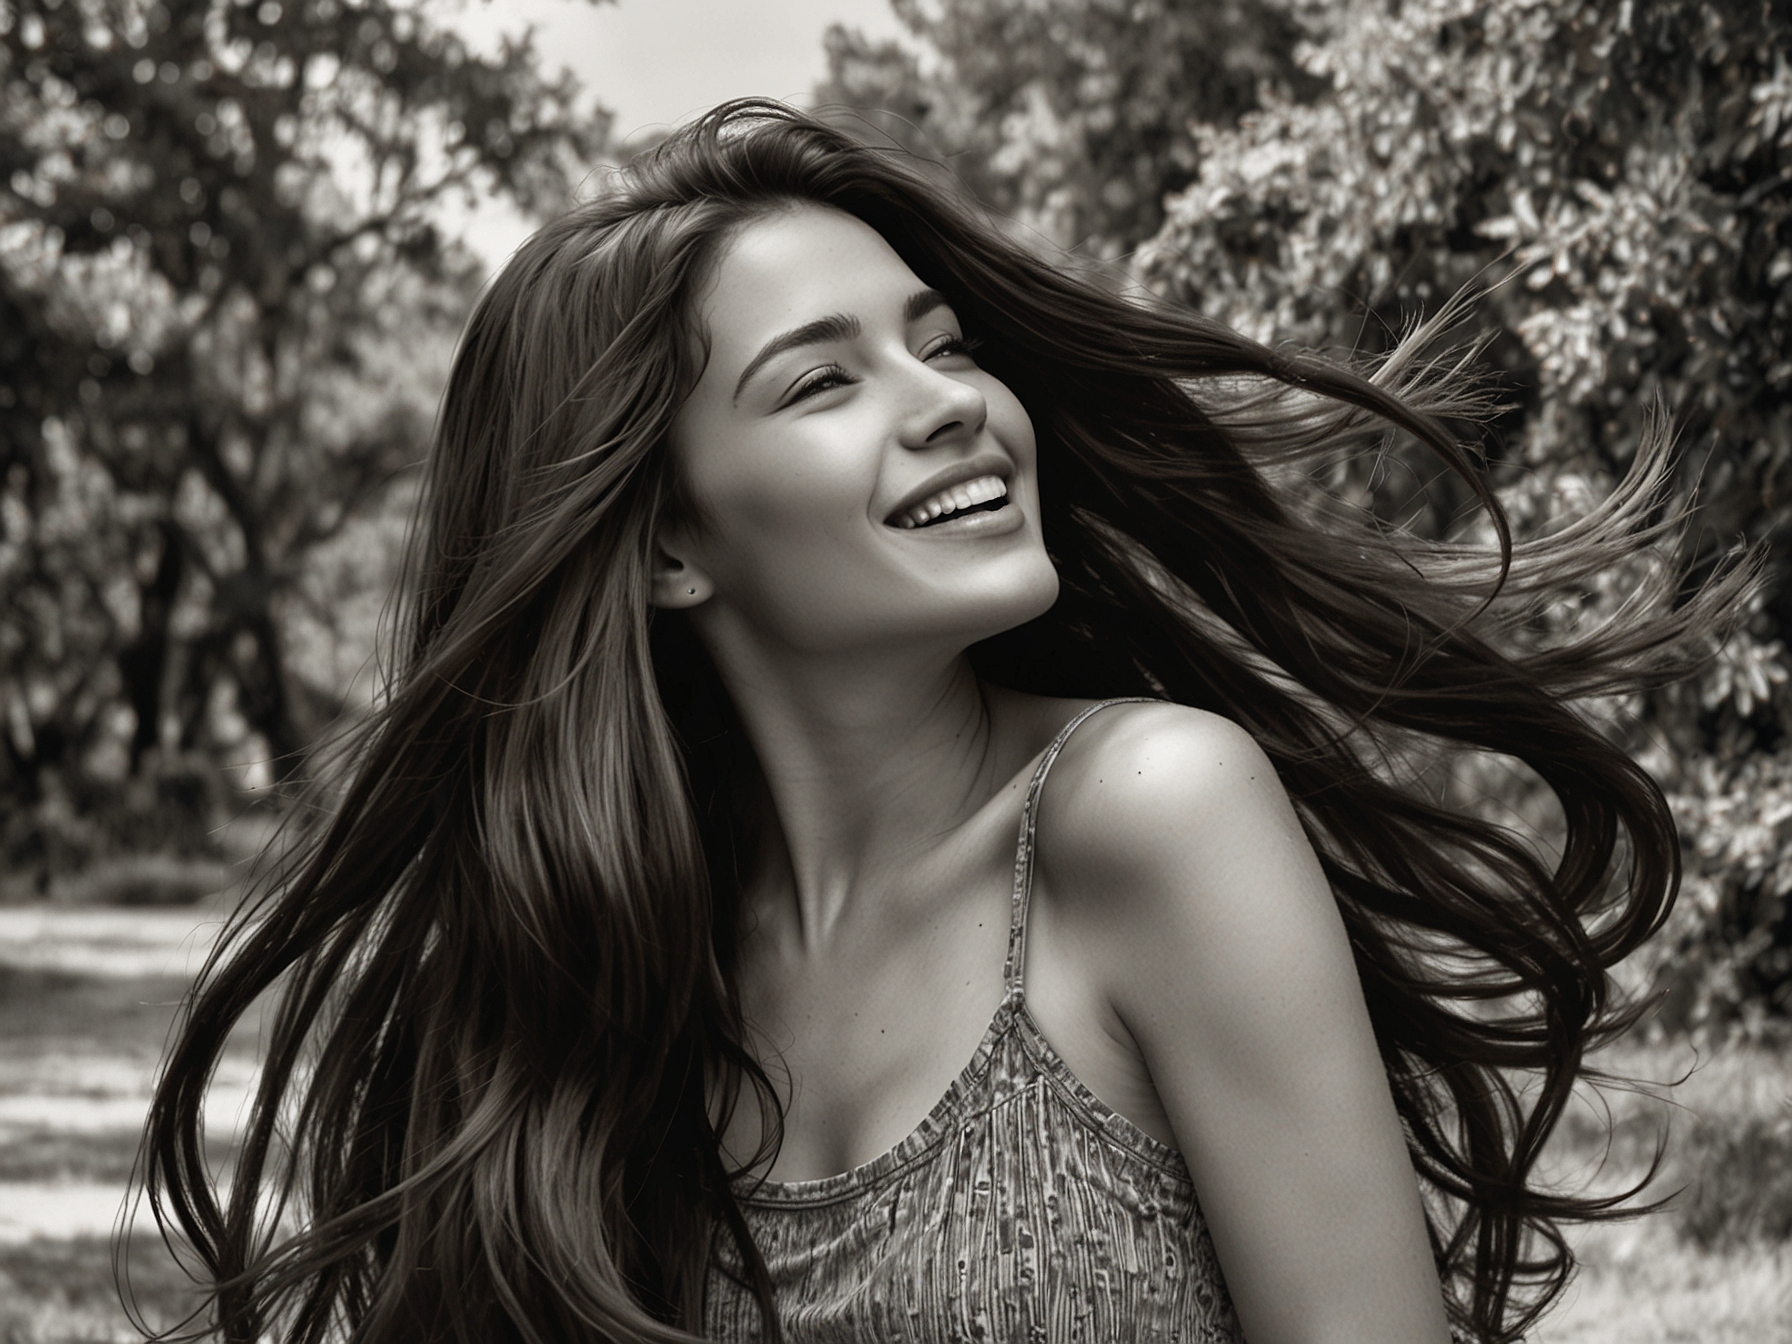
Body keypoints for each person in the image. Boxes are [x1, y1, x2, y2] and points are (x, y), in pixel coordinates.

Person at [140, 101, 1740, 1344]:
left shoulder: (1148, 812)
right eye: (821, 383)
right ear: (667, 548)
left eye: (944, 341)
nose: (950, 399)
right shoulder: (600, 973)